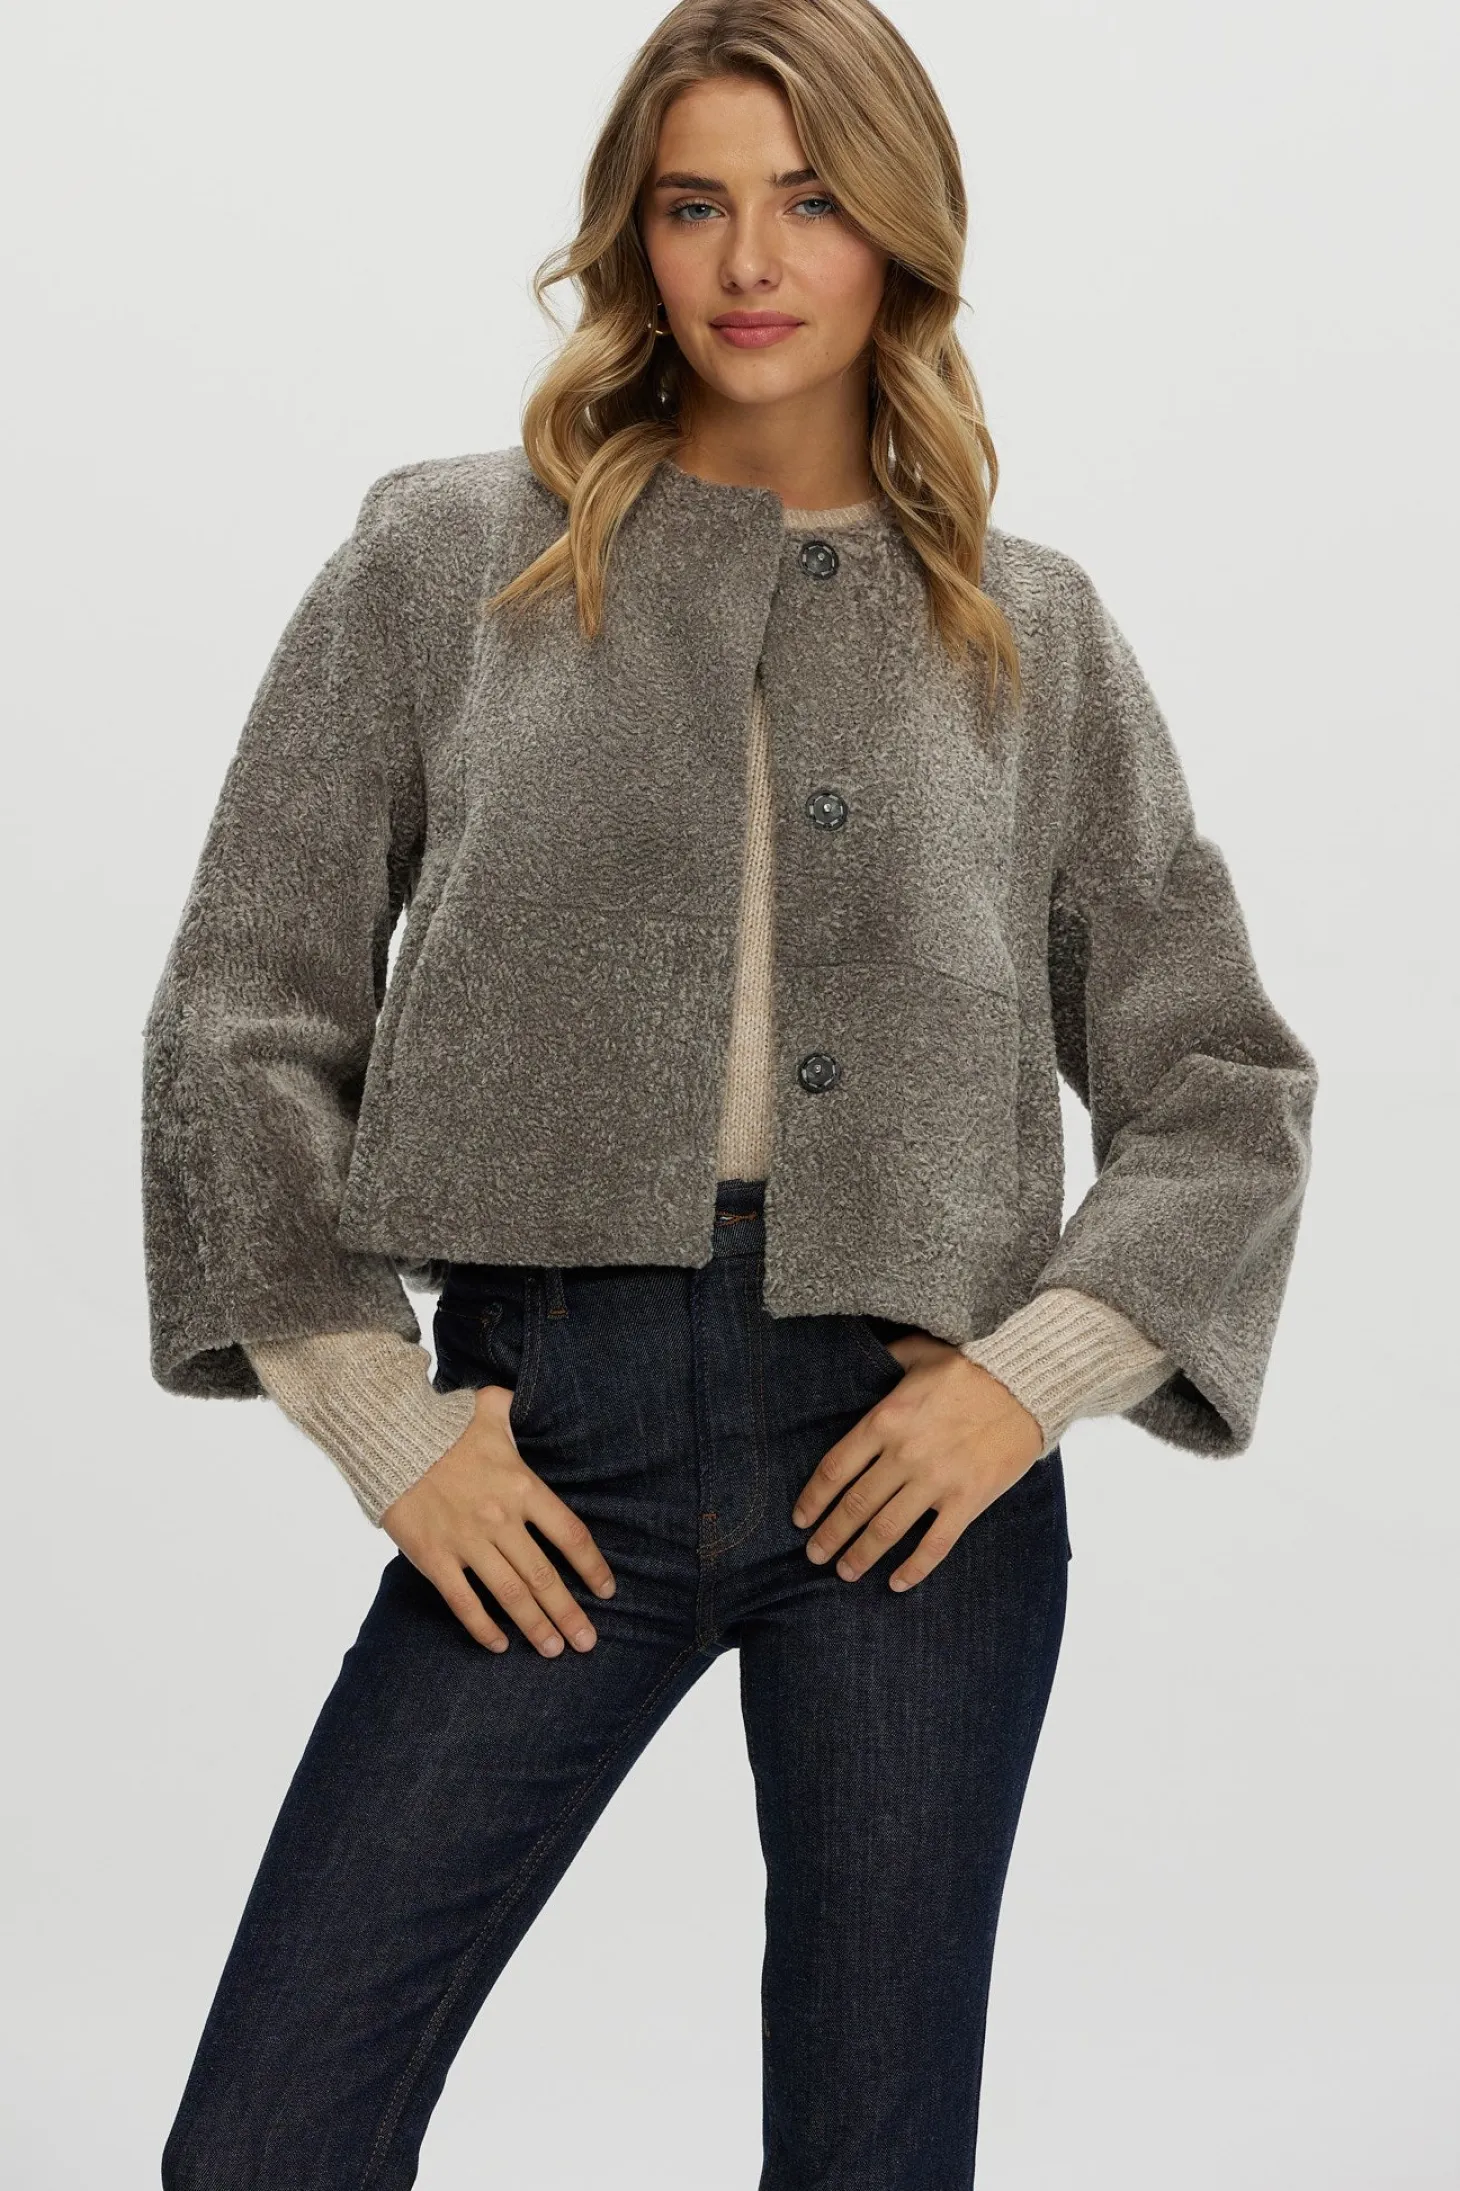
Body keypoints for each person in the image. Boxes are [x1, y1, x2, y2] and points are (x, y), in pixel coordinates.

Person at [141, 2, 1318, 2182]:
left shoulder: (1031, 631)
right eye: (695, 204)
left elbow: (1222, 1083)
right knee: (270, 2134)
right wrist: (381, 1421)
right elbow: (241, 1012)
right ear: (634, 234)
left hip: (910, 1471)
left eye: (811, 202)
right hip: (548, 1445)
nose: (751, 261)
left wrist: (1024, 1385)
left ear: (902, 238)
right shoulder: (444, 560)